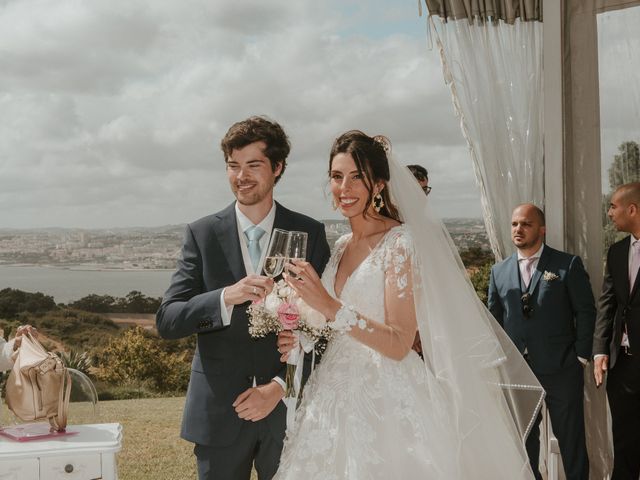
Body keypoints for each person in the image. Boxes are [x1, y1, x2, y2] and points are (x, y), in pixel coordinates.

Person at [274, 131, 543, 479]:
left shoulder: (400, 242)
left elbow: (400, 343)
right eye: (337, 176)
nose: (345, 187)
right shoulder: (340, 245)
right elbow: (330, 322)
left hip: (386, 398)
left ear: (379, 184)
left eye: (358, 177)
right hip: (331, 393)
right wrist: (302, 334)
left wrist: (328, 305)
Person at [156, 116, 331, 480]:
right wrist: (224, 298)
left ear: (278, 167)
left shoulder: (309, 233)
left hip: (287, 412)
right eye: (234, 166)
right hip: (219, 414)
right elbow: (169, 321)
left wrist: (281, 387)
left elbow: (327, 327)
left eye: (253, 165)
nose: (242, 176)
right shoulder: (201, 234)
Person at [488, 204, 595, 480]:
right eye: (514, 224)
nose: (518, 230)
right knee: (524, 443)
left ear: (542, 229)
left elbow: (585, 310)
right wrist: (501, 362)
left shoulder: (567, 264)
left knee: (571, 441)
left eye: (526, 224)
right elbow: (494, 321)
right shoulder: (498, 272)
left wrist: (581, 356)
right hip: (518, 371)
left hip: (562, 369)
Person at [593, 182, 640, 480]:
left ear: (632, 209)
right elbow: (607, 303)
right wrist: (600, 349)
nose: (609, 213)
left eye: (613, 206)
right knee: (623, 440)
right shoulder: (617, 251)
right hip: (622, 364)